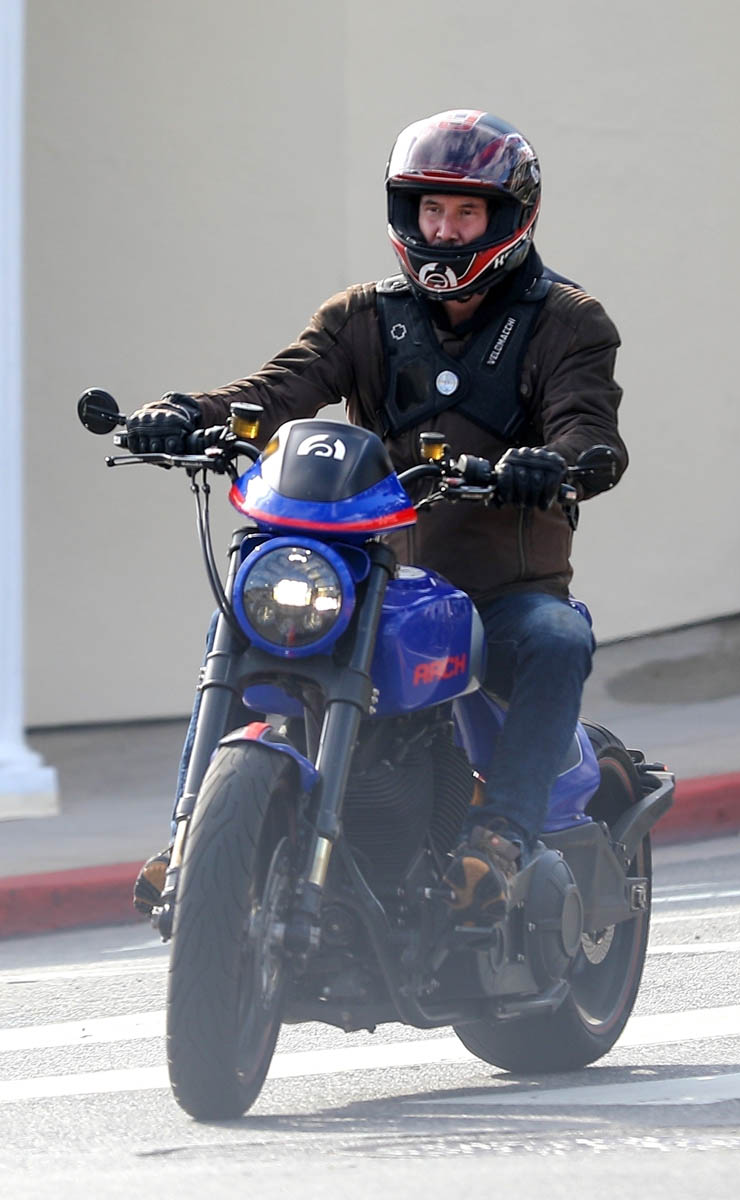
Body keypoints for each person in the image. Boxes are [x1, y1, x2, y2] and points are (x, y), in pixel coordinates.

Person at [129, 109, 627, 925]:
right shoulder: (362, 316)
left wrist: (558, 462)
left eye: (465, 211)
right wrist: (186, 413)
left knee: (556, 638)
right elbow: (276, 391)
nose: (445, 229)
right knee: (242, 619)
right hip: (377, 580)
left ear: (508, 219)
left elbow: (588, 427)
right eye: (430, 209)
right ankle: (191, 837)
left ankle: (500, 840)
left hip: (502, 593)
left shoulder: (568, 322)